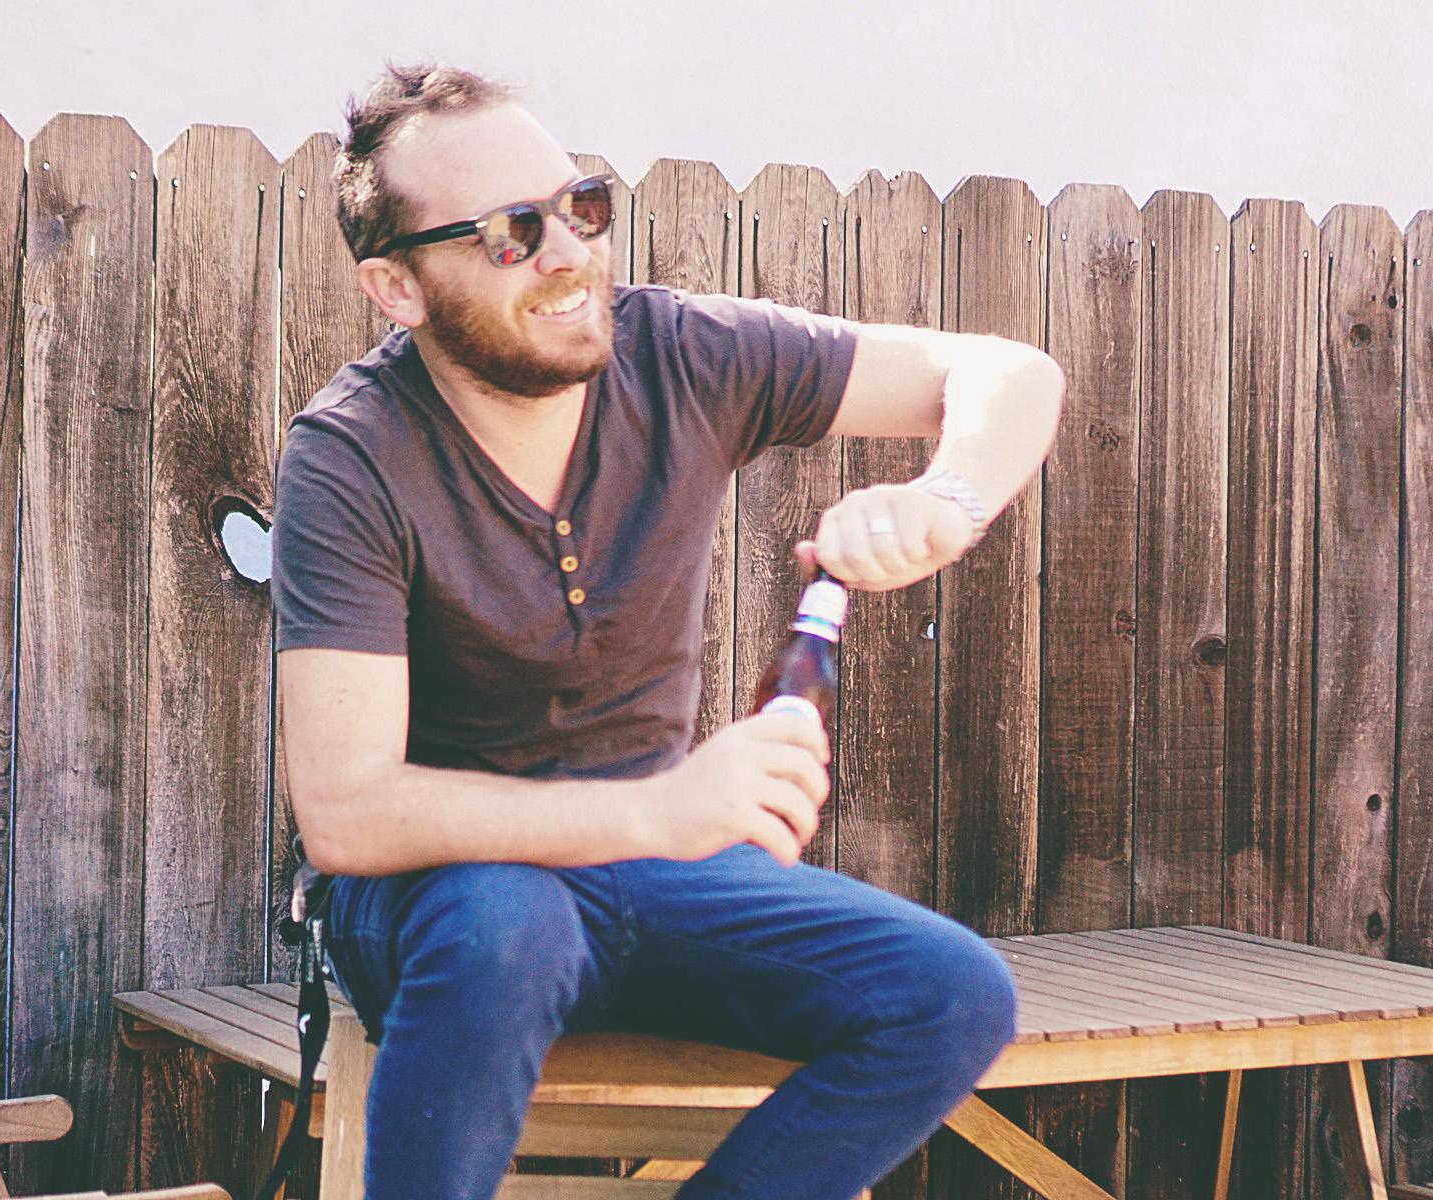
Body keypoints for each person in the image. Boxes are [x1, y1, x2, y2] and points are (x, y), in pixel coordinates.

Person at [271, 64, 1064, 1200]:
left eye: (580, 206)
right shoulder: (352, 455)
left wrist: (949, 500)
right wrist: (661, 809)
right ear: (398, 286)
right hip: (437, 898)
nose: (567, 254)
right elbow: (348, 812)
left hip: (652, 873)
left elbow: (1002, 371)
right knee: (509, 923)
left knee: (951, 996)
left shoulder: (680, 353)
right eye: (508, 233)